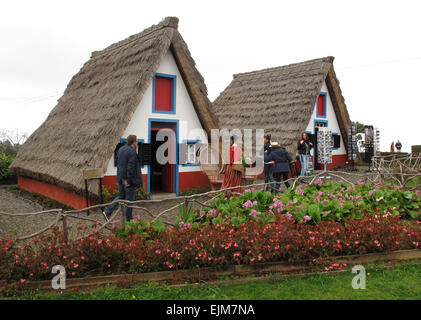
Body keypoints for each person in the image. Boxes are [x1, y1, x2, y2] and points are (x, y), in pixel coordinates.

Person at [104, 134, 143, 221]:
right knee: (129, 200)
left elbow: (117, 162)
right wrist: (128, 181)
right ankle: (129, 219)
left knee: (122, 195)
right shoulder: (132, 151)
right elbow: (130, 168)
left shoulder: (121, 149)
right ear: (134, 142)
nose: (137, 142)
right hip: (126, 180)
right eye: (137, 141)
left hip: (120, 177)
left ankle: (108, 211)